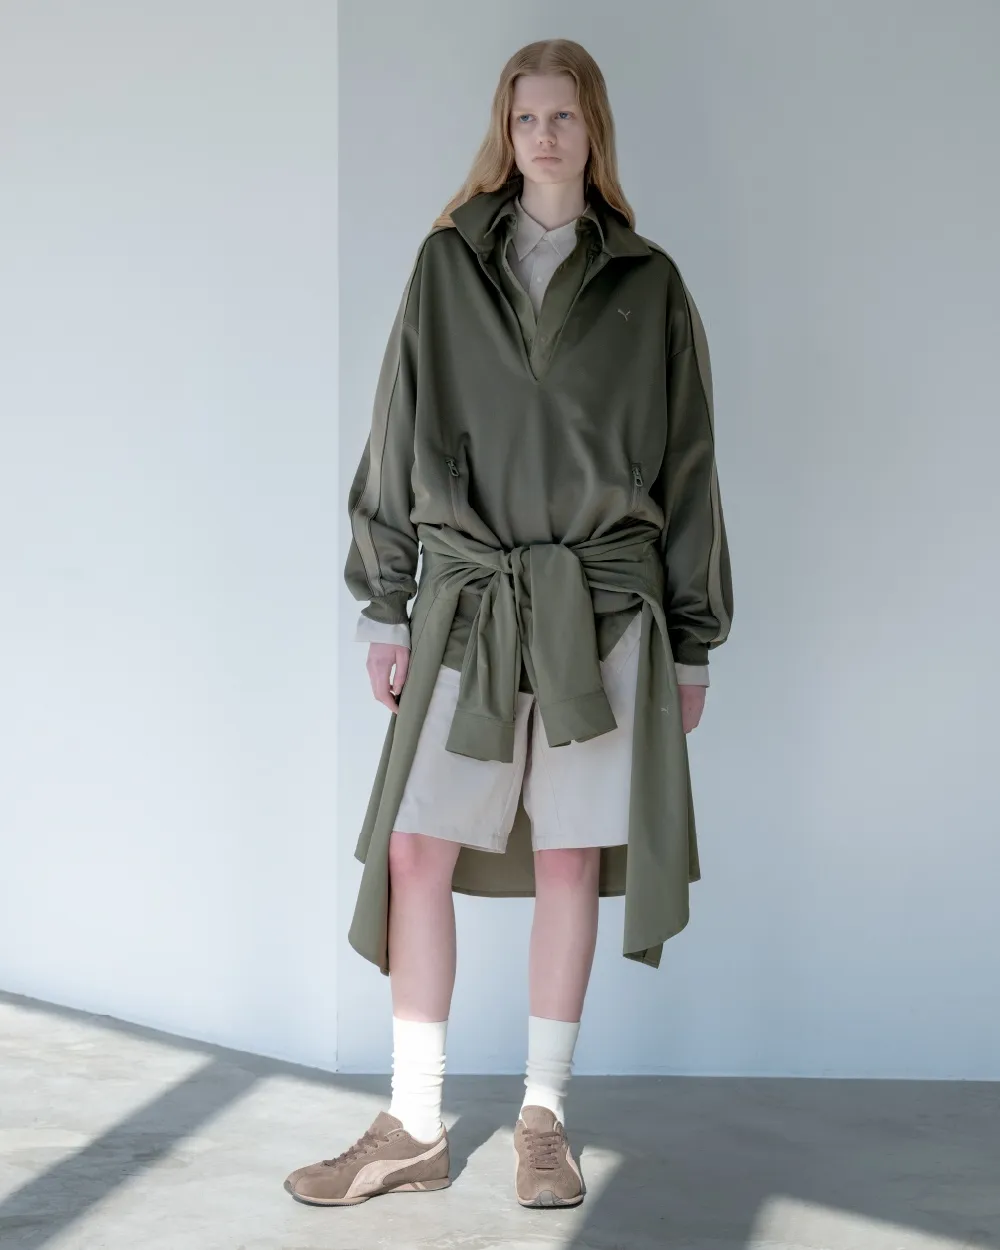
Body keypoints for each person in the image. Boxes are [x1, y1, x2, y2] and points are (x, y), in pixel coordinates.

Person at [284, 37, 733, 1210]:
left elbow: (690, 468)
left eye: (564, 117)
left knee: (569, 852)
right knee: (416, 848)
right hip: (466, 603)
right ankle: (413, 1120)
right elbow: (396, 429)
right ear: (505, 130)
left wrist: (693, 638)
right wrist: (384, 605)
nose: (544, 136)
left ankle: (543, 1117)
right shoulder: (447, 265)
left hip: (605, 612)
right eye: (527, 117)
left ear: (593, 132)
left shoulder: (648, 282)